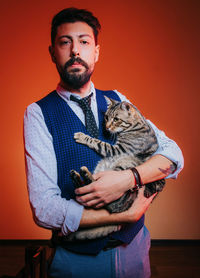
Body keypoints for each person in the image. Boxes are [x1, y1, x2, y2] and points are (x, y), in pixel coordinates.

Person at [24, 7, 184, 278]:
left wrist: (127, 180)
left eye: (84, 42)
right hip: (77, 262)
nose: (75, 50)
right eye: (65, 42)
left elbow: (172, 152)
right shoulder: (38, 112)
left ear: (96, 51)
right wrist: (124, 216)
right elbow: (45, 209)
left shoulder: (118, 99)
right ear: (53, 52)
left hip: (134, 249)